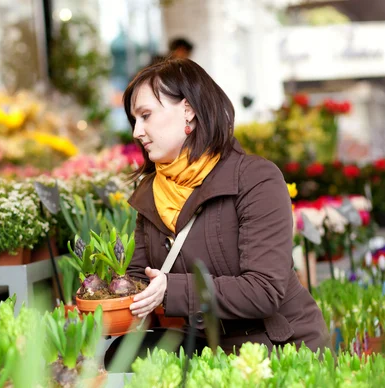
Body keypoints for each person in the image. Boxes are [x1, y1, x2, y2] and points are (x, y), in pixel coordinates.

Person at [104, 58, 329, 370]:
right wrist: (105, 296)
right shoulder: (152, 193)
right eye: (133, 121)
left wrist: (172, 288)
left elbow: (265, 290)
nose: (137, 132)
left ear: (188, 111)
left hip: (278, 354)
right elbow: (140, 279)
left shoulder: (255, 178)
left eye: (146, 116)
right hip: (206, 353)